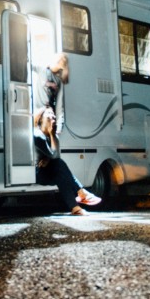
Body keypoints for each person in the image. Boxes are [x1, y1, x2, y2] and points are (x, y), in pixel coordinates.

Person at [34, 53, 102, 215]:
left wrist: (56, 130)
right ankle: (80, 194)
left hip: (46, 119)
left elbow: (60, 108)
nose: (59, 62)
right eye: (58, 60)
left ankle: (76, 204)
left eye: (62, 62)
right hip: (39, 115)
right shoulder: (40, 70)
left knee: (59, 168)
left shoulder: (58, 81)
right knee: (59, 165)